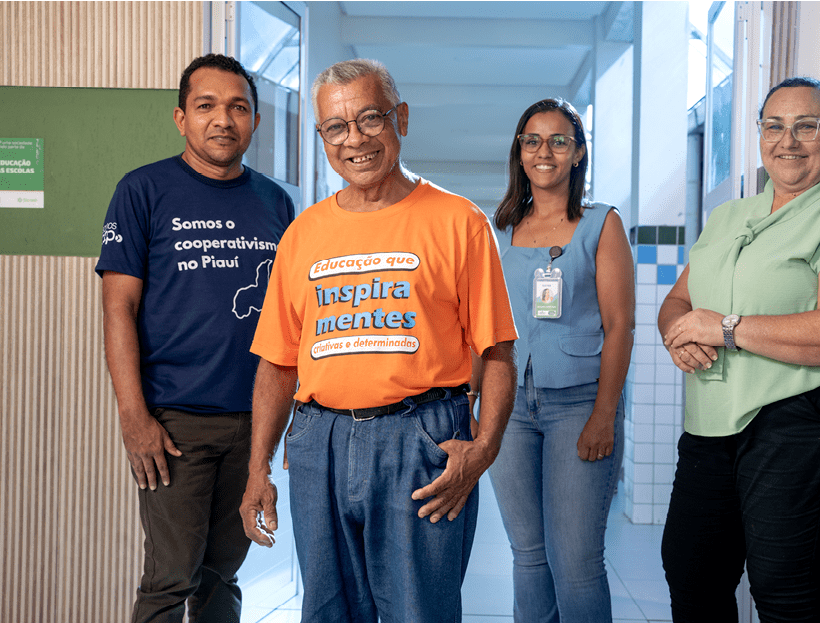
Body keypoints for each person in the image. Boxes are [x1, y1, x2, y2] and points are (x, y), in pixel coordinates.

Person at [239, 58, 518, 623]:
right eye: (336, 127)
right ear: (322, 136)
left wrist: (484, 448)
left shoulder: (459, 222)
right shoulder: (303, 235)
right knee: (327, 610)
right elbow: (277, 362)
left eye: (370, 118)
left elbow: (498, 351)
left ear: (402, 120)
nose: (355, 140)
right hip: (318, 441)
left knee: (420, 611)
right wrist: (257, 468)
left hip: (419, 439)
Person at [658, 77, 820, 622]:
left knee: (782, 589)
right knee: (690, 572)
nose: (787, 140)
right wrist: (680, 337)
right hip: (710, 427)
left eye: (807, 127)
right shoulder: (729, 217)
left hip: (800, 420)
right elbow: (678, 303)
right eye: (774, 126)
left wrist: (724, 328)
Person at [97, 54, 295, 622]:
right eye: (206, 106)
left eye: (238, 107)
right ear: (181, 117)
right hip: (174, 422)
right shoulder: (142, 190)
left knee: (222, 576)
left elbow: (289, 318)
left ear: (255, 120)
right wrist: (135, 418)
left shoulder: (276, 203)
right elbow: (119, 309)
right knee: (170, 577)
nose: (223, 120)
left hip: (253, 421)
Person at [475, 98, 635, 622]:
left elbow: (620, 327)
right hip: (509, 409)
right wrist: (473, 406)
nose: (544, 151)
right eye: (532, 140)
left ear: (578, 152)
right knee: (529, 558)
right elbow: (483, 329)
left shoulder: (601, 224)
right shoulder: (499, 231)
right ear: (519, 153)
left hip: (578, 405)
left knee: (577, 563)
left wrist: (604, 416)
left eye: (559, 140)